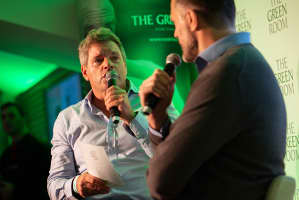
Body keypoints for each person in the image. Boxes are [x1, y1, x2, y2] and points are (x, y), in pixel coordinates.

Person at [139, 0, 287, 199]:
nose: (175, 34)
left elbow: (160, 182)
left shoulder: (224, 74)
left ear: (191, 20)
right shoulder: (244, 62)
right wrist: (158, 120)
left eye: (175, 23)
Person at [47, 27, 177, 200]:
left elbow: (178, 156)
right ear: (85, 72)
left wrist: (132, 118)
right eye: (98, 60)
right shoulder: (67, 119)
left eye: (114, 58)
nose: (107, 64)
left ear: (124, 64)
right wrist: (77, 185)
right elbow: (55, 184)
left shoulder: (156, 101)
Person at [0, 102, 51, 200]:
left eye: (11, 116)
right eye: (3, 117)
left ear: (23, 118)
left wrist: (15, 191)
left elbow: (47, 186)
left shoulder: (40, 149)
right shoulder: (5, 155)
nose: (6, 120)